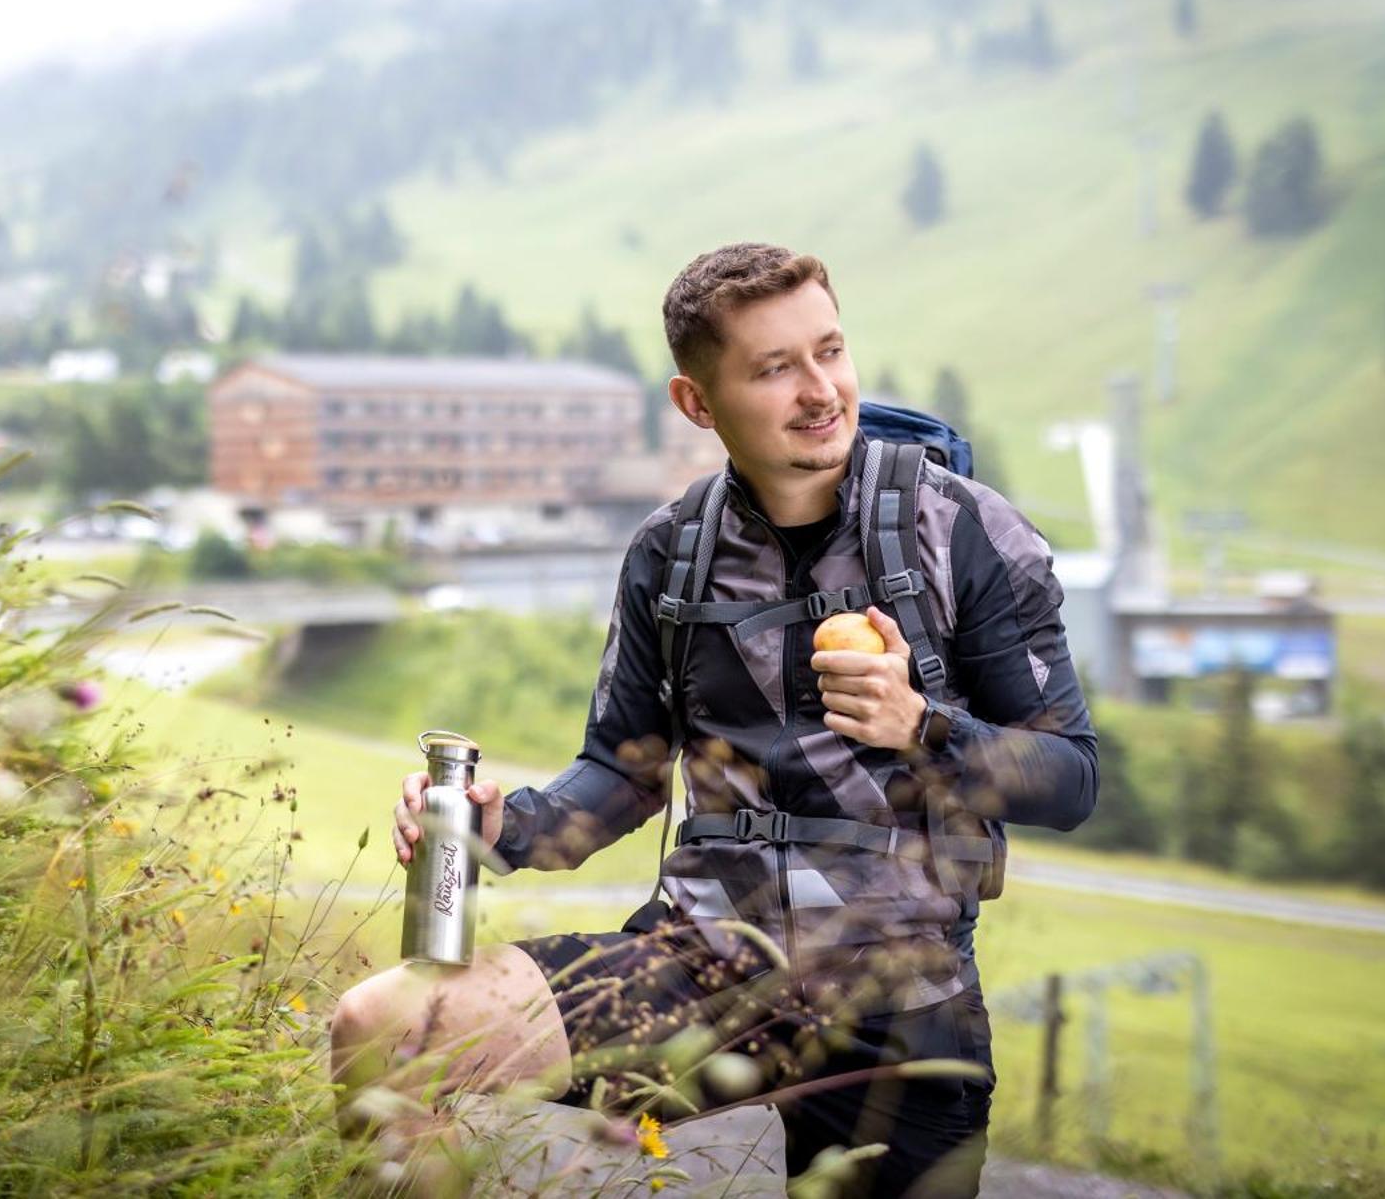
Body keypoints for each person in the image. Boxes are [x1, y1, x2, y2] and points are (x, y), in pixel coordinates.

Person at [330, 243, 1098, 1196]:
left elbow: (1071, 778)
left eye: (830, 351)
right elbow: (622, 771)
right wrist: (504, 826)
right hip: (706, 963)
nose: (821, 391)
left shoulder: (967, 529)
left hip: (901, 1008)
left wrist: (921, 725)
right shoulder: (672, 551)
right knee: (386, 1029)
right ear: (698, 402)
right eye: (775, 368)